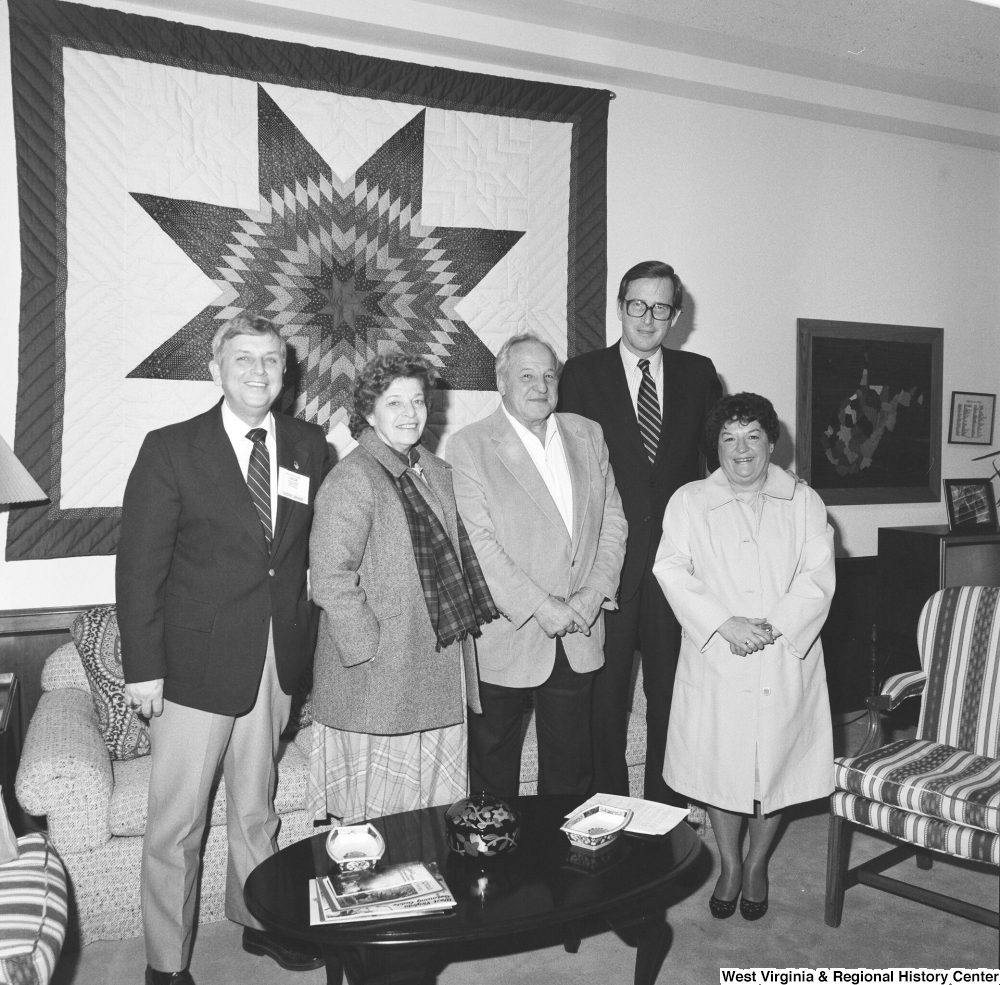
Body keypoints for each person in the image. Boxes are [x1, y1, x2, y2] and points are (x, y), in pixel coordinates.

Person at [117, 313, 330, 985]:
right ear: (216, 370)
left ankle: (259, 921)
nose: (260, 371)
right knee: (176, 824)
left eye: (272, 360)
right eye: (244, 359)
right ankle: (165, 961)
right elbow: (139, 568)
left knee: (255, 805)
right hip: (191, 668)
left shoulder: (308, 445)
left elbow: (305, 559)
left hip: (275, 659)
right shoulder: (171, 448)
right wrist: (143, 668)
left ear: (285, 371)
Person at [652, 392, 835, 920]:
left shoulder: (804, 501)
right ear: (715, 447)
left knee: (775, 768)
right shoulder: (689, 501)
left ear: (772, 443)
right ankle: (730, 864)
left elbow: (818, 576)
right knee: (722, 768)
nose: (741, 449)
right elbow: (672, 568)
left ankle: (758, 863)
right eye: (729, 438)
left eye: (753, 435)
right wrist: (723, 623)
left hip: (784, 655)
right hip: (718, 657)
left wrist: (774, 626)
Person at [306, 353, 496, 824]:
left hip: (433, 668)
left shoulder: (434, 471)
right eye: (395, 403)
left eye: (417, 401)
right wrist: (371, 649)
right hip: (381, 679)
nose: (410, 413)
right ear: (369, 412)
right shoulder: (353, 478)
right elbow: (329, 578)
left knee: (430, 820)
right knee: (377, 832)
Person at [558, 260, 721, 805]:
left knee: (671, 691)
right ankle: (612, 808)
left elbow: (716, 467)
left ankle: (666, 808)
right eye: (637, 305)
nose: (648, 318)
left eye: (660, 307)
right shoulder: (581, 376)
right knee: (606, 698)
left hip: (678, 564)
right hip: (610, 562)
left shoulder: (700, 375)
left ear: (675, 315)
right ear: (620, 306)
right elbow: (570, 474)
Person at [448, 333, 627, 801]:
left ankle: (560, 871)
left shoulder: (588, 434)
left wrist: (592, 597)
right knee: (492, 782)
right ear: (501, 381)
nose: (540, 385)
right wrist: (539, 605)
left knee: (572, 778)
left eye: (549, 375)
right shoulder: (469, 445)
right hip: (506, 636)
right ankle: (497, 872)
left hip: (578, 631)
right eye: (526, 375)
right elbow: (478, 543)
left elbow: (613, 523)